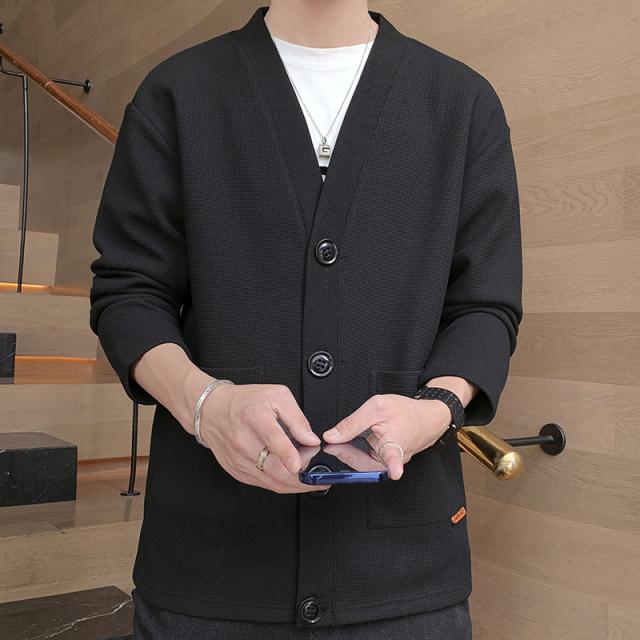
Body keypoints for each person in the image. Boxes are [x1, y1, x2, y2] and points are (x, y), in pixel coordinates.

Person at [89, 1, 523, 638]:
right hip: (208, 574)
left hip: (404, 578)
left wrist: (433, 410)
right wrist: (206, 405)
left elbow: (485, 305)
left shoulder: (462, 103)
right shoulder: (179, 91)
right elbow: (129, 290)